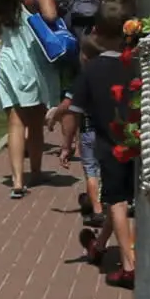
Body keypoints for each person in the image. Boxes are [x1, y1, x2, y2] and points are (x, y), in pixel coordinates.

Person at [64, 2, 136, 289]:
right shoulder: (138, 63)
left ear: (97, 32)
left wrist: (66, 145)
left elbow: (75, 110)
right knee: (138, 200)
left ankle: (130, 265)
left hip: (111, 143)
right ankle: (100, 246)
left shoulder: (92, 71)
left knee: (116, 201)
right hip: (140, 142)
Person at [0, 0, 61, 199]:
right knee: (35, 120)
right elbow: (51, 17)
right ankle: (37, 170)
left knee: (15, 122)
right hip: (32, 60)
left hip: (7, 59)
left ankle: (17, 182)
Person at [48, 37, 107, 228]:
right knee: (106, 170)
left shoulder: (82, 79)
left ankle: (97, 210)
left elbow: (69, 107)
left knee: (90, 172)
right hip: (108, 132)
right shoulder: (111, 74)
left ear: (84, 57)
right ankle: (107, 202)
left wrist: (55, 117)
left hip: (88, 132)